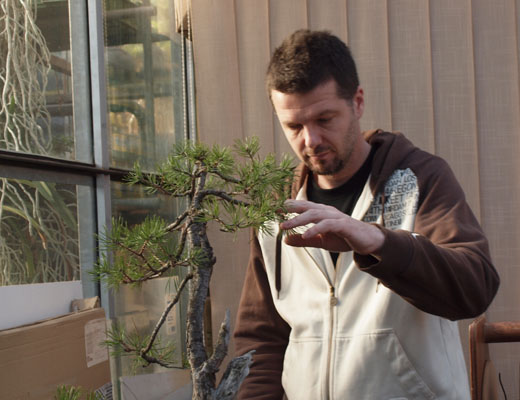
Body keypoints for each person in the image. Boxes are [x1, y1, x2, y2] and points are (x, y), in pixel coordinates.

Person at [233, 29, 500, 399]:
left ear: (357, 102)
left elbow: (475, 288)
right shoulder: (275, 208)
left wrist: (378, 242)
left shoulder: (420, 178)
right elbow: (261, 340)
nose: (310, 140)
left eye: (324, 119)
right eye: (293, 126)